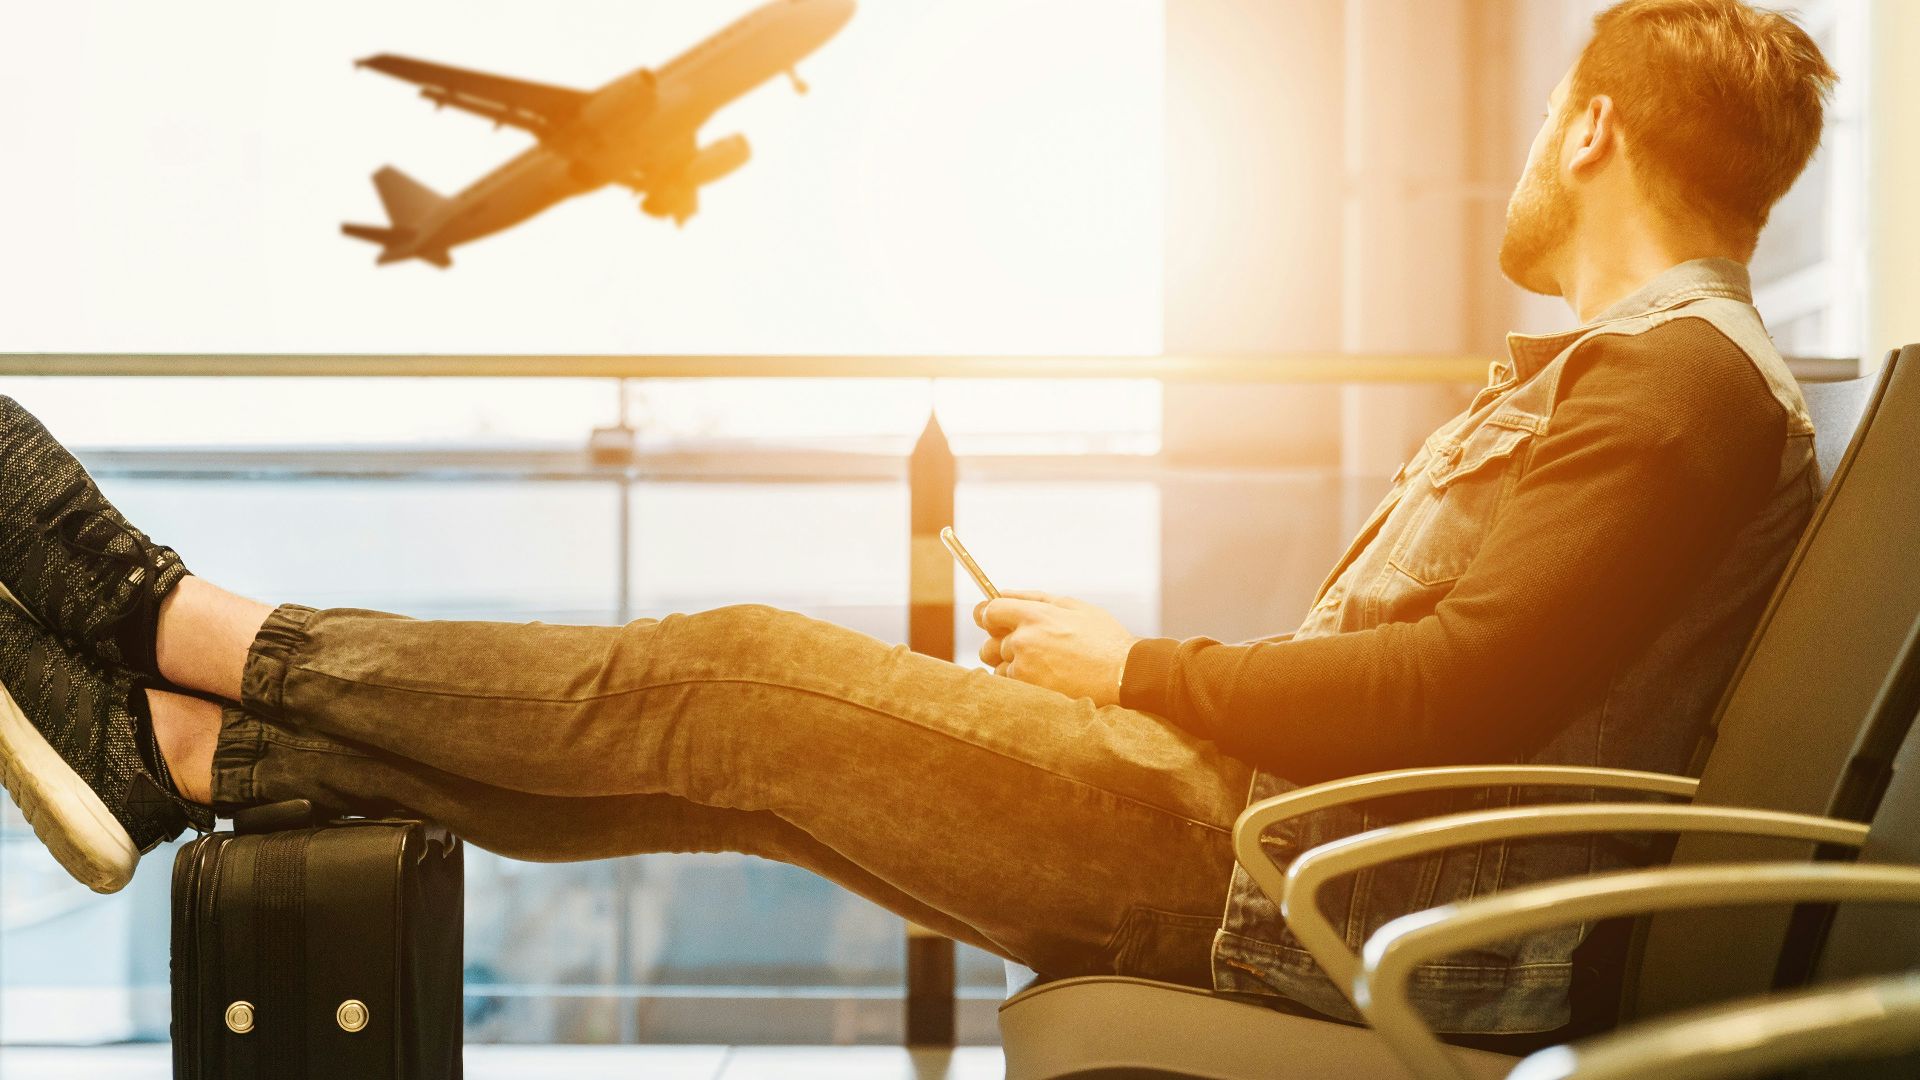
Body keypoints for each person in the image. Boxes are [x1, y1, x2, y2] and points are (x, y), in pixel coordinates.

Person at [0, 0, 1836, 1037]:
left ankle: (166, 621)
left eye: (1544, 133)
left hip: (1292, 895)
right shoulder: (1665, 385)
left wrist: (1145, 667)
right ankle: (180, 752)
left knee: (727, 679)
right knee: (725, 763)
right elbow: (1464, 686)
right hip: (1289, 859)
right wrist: (1139, 681)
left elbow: (1454, 696)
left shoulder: (1673, 392)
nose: (1525, 161)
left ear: (1591, 132)